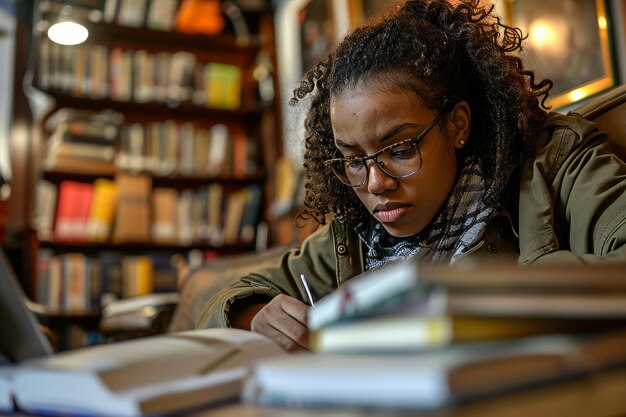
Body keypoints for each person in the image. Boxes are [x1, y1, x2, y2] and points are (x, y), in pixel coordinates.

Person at [197, 0, 626, 351]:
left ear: (457, 124)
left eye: (400, 149)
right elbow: (220, 298)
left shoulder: (555, 160)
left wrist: (490, 293)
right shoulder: (358, 233)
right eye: (353, 159)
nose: (375, 183)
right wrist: (252, 314)